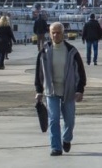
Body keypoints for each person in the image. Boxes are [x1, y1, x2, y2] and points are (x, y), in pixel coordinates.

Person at [35, 22, 86, 156]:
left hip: (68, 90)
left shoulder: (71, 51)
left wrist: (80, 89)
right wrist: (38, 91)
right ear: (50, 34)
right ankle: (56, 147)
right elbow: (38, 73)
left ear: (63, 34)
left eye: (58, 32)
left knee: (70, 120)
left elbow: (81, 72)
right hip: (51, 90)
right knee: (54, 119)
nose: (55, 35)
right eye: (53, 32)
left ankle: (67, 138)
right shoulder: (44, 51)